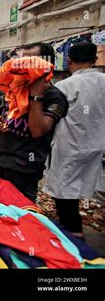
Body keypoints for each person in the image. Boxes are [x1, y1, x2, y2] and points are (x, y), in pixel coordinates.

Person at [44, 42, 104, 238]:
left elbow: (50, 119)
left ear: (68, 60)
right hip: (96, 145)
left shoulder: (64, 86)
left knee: (65, 194)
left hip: (70, 146)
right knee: (83, 187)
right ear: (94, 61)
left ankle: (73, 235)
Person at [0, 43, 68, 202]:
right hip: (3, 161)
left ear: (45, 64)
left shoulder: (55, 97)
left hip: (25, 167)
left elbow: (38, 130)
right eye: (20, 60)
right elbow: (11, 117)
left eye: (28, 61)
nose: (20, 66)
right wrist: (3, 123)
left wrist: (36, 95)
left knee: (21, 217)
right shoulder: (18, 89)